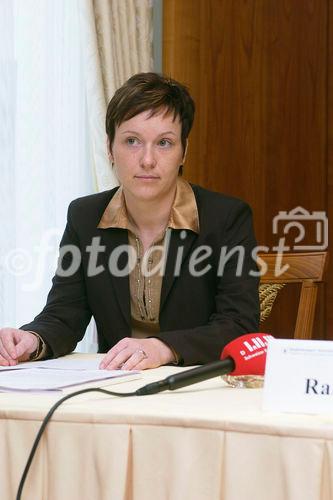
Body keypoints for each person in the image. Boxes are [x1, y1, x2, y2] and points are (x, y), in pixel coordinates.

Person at [0, 72, 259, 370]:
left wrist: (164, 348)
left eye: (164, 143)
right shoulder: (85, 218)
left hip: (196, 385)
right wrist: (33, 340)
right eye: (132, 141)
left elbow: (239, 323)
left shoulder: (226, 218)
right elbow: (65, 313)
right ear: (110, 148)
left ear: (183, 151)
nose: (147, 160)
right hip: (115, 386)